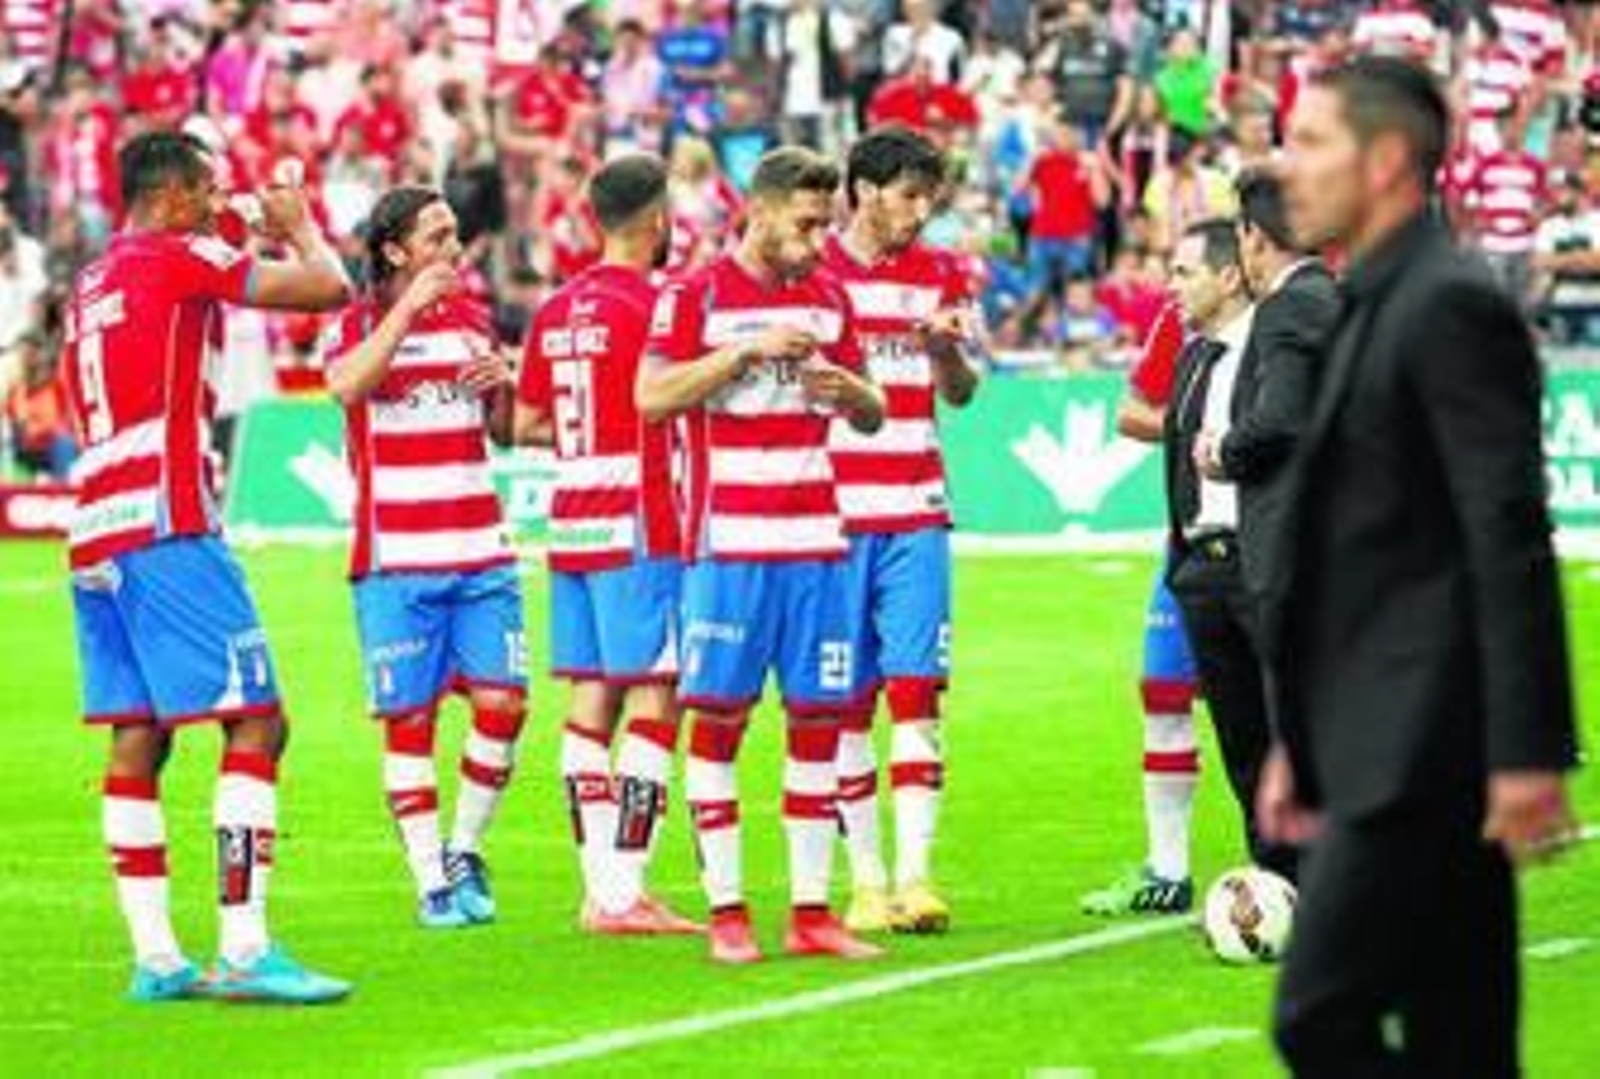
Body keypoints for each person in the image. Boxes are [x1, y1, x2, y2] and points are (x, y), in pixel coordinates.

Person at [1264, 56, 1580, 1076]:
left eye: (1311, 143)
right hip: (1380, 740)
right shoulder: (1372, 294)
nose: (1287, 166)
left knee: (1315, 1017)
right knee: (1462, 1039)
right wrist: (1297, 743)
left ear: (1389, 159)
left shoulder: (1444, 304)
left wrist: (1530, 752)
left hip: (1424, 751)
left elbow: (1506, 535)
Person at [62, 130, 352, 1002]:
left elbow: (209, 239)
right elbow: (328, 289)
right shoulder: (182, 253)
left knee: (139, 734)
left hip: (94, 523)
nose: (218, 197)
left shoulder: (93, 277)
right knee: (258, 720)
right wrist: (299, 226)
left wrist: (245, 208)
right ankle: (246, 946)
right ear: (179, 194)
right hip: (168, 512)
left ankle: (155, 958)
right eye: (210, 186)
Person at [636, 146, 887, 965]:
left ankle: (812, 913)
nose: (821, 242)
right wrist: (741, 353)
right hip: (730, 546)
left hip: (817, 544)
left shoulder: (830, 296)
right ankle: (729, 912)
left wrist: (855, 396)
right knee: (718, 722)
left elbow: (876, 408)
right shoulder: (695, 294)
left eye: (828, 225)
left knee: (818, 720)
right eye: (809, 224)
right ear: (761, 208)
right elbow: (650, 397)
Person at [319, 186, 526, 930]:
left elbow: (502, 432)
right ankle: (430, 879)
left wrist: (503, 385)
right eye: (436, 237)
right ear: (397, 252)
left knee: (506, 704)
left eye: (455, 234)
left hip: (481, 551)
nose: (454, 248)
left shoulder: (475, 320)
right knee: (410, 723)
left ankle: (464, 847)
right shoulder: (357, 322)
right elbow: (345, 384)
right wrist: (406, 312)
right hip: (397, 559)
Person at [515, 153, 700, 936]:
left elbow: (522, 424)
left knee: (591, 696)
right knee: (658, 692)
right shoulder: (659, 303)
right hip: (640, 508)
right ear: (658, 220)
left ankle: (604, 888)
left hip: (571, 512)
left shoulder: (555, 309)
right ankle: (623, 892)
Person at [822, 125, 982, 935]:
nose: (921, 214)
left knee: (918, 695)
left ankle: (917, 873)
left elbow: (961, 392)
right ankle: (865, 877)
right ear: (862, 189)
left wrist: (946, 353)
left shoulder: (942, 272)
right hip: (835, 517)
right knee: (845, 702)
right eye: (908, 196)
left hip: (917, 509)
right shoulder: (812, 274)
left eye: (931, 198)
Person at [1160, 217, 1299, 880]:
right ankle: (1274, 884)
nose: (1171, 284)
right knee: (1243, 742)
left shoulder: (1278, 344)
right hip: (1203, 571)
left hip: (1266, 565)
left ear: (1227, 273)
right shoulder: (1192, 357)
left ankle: (1333, 886)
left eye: (1183, 271)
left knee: (1298, 735)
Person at [1080, 302, 1202, 916]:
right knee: (1163, 691)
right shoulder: (1182, 319)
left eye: (1185, 270)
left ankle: (1296, 865)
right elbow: (1130, 412)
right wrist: (1199, 422)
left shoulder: (1295, 310)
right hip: (1188, 541)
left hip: (1274, 543)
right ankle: (1168, 869)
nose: (1175, 284)